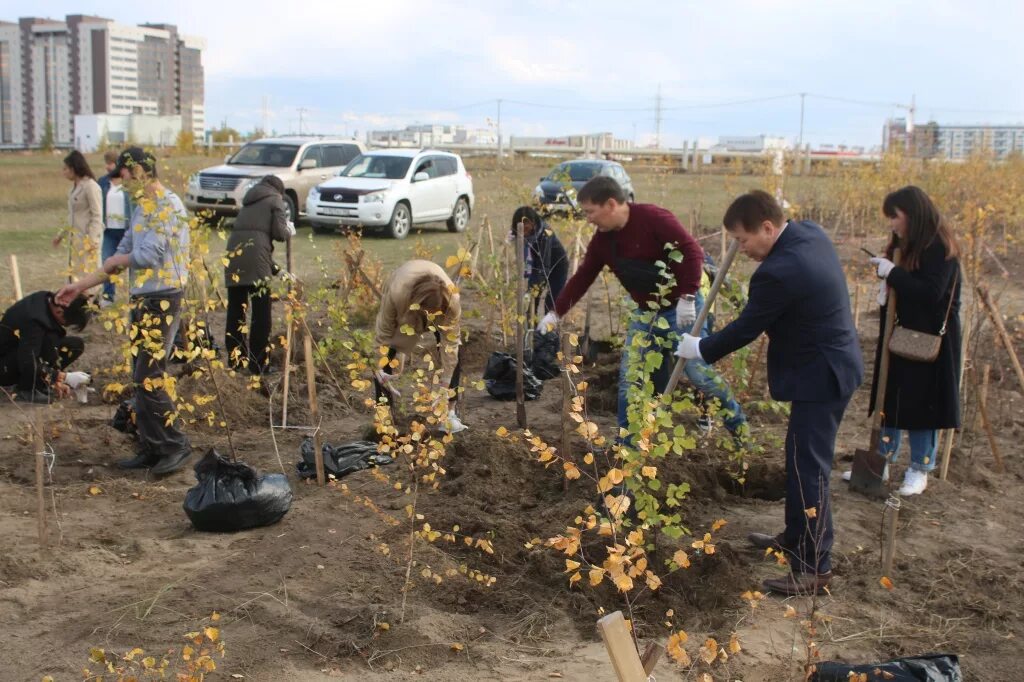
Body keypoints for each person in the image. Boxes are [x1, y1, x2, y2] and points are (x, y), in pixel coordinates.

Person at [675, 190, 863, 596]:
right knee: (800, 462)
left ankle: (814, 567)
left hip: (823, 375)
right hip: (829, 365)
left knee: (808, 470)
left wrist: (700, 348)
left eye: (743, 240)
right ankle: (796, 538)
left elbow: (745, 328)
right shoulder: (809, 233)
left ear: (768, 228)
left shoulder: (780, 271)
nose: (740, 250)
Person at [56, 147, 193, 476]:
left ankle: (174, 444)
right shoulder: (142, 207)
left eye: (125, 175)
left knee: (150, 376)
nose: (121, 181)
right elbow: (118, 256)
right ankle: (152, 446)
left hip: (164, 296)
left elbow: (148, 254)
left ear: (141, 172)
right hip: (143, 297)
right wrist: (81, 286)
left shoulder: (166, 204)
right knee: (139, 375)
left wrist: (119, 261)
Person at [536, 176, 704, 440]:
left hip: (682, 308)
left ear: (611, 204)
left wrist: (688, 296)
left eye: (591, 211)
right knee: (632, 378)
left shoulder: (654, 218)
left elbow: (692, 252)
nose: (588, 219)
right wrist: (555, 313)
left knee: (698, 371)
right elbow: (583, 277)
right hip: (646, 313)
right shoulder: (603, 241)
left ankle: (735, 428)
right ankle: (628, 445)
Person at [842, 186, 961, 496]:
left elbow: (931, 293)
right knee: (891, 398)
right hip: (899, 335)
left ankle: (920, 469)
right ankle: (880, 461)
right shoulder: (903, 243)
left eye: (894, 216)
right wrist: (887, 283)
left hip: (929, 341)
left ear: (913, 213)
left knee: (924, 405)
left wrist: (894, 274)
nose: (892, 223)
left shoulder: (939, 247)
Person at [373, 259, 465, 433]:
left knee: (452, 350)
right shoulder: (397, 293)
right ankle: (383, 413)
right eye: (427, 315)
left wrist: (444, 388)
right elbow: (383, 336)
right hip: (405, 292)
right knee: (389, 350)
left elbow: (450, 346)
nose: (430, 319)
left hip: (437, 299)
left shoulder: (452, 301)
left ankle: (450, 412)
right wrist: (378, 368)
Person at [224, 175, 292, 374]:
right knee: (261, 315)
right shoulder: (276, 200)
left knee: (236, 312)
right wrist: (289, 230)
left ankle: (236, 360)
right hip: (257, 264)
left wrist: (278, 271)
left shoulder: (249, 202)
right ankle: (258, 364)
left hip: (233, 257)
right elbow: (280, 234)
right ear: (279, 190)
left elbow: (255, 245)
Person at [686, 252, 749, 442]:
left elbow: (724, 281)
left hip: (703, 317)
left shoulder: (701, 257)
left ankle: (709, 417)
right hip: (671, 318)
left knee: (700, 371)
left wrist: (745, 308)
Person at [0, 291, 92, 404]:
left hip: (24, 351)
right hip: (5, 366)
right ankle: (26, 390)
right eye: (66, 323)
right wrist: (62, 376)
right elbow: (28, 361)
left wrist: (54, 380)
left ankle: (43, 383)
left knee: (74, 346)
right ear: (59, 311)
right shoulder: (34, 320)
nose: (64, 326)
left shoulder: (47, 300)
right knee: (47, 342)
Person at [54, 150, 103, 287]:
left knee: (87, 275)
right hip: (74, 240)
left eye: (65, 169)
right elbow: (72, 216)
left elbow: (97, 215)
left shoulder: (91, 186)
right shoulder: (73, 189)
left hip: (86, 240)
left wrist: (92, 240)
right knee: (73, 275)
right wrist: (61, 235)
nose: (63, 172)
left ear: (74, 168)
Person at [510, 205, 569, 319]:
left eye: (526, 229)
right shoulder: (519, 233)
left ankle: (550, 334)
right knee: (531, 306)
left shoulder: (546, 233)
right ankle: (533, 332)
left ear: (533, 223)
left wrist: (532, 290)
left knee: (551, 303)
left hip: (557, 267)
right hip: (537, 266)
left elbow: (543, 265)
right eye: (521, 229)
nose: (524, 233)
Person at [97, 150, 133, 304]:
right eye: (106, 163)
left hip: (126, 229)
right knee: (108, 261)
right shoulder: (103, 182)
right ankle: (108, 296)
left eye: (110, 163)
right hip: (109, 229)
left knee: (132, 262)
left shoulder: (128, 183)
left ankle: (134, 295)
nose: (107, 166)